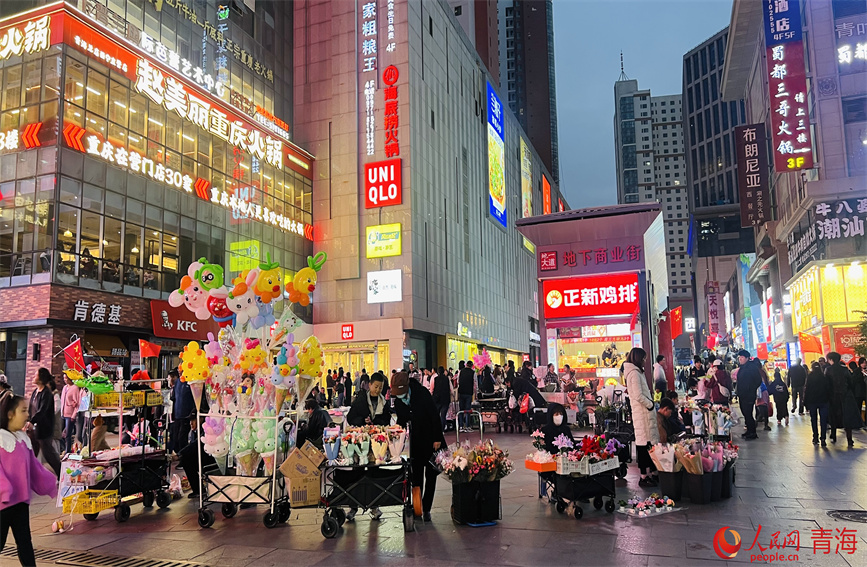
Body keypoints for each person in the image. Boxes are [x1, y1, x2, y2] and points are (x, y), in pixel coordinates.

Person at [1, 392, 59, 566]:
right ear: (10, 414)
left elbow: (35, 468)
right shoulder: (1, 438)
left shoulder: (23, 438)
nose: (28, 415)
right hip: (3, 504)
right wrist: (4, 489)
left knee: (25, 543)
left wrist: (51, 484)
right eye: (24, 410)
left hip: (21, 502)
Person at [391, 372, 444, 522]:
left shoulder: (422, 393)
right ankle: (417, 506)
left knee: (431, 476)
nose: (399, 396)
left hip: (432, 440)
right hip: (416, 442)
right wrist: (396, 431)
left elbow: (434, 415)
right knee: (417, 477)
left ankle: (426, 508)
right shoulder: (399, 402)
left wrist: (437, 438)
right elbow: (402, 419)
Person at [624, 348, 659, 487]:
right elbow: (638, 395)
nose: (645, 361)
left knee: (648, 445)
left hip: (643, 414)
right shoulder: (634, 374)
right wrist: (650, 405)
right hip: (642, 414)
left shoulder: (636, 373)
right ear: (638, 359)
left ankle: (652, 473)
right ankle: (644, 476)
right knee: (644, 446)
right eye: (643, 358)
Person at [26, 368, 60, 476]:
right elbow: (31, 409)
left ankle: (60, 474)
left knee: (48, 453)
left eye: (35, 375)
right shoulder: (35, 392)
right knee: (31, 452)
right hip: (33, 429)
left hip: (44, 429)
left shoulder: (47, 394)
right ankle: (31, 476)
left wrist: (32, 422)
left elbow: (42, 410)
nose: (33, 377)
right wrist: (27, 421)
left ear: (41, 378)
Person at [826, 352, 862, 448]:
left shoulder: (828, 370)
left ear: (831, 359)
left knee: (834, 416)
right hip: (846, 396)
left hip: (833, 397)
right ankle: (849, 439)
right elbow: (851, 382)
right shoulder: (845, 369)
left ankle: (833, 435)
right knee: (847, 417)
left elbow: (827, 385)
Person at [179, 415, 216, 499]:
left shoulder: (206, 429)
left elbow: (197, 444)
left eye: (193, 420)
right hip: (203, 457)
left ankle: (198, 490)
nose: (191, 423)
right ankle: (198, 489)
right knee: (186, 458)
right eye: (190, 421)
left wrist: (180, 454)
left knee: (186, 460)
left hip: (211, 459)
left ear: (201, 418)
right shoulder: (194, 432)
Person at [735, 349, 762, 440]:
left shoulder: (752, 367)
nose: (740, 359)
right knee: (745, 413)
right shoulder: (742, 367)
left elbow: (758, 380)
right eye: (739, 357)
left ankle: (752, 432)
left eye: (742, 357)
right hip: (742, 395)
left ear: (747, 358)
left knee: (748, 413)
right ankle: (749, 431)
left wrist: (751, 388)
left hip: (749, 395)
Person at [804, 361, 832, 447]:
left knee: (814, 419)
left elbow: (807, 390)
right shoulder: (824, 377)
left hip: (812, 402)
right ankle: (823, 438)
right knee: (823, 420)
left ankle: (815, 436)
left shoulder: (810, 377)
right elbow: (828, 389)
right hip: (823, 401)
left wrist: (805, 403)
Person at [60, 373, 82, 454]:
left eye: (66, 378)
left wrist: (74, 414)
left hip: (70, 414)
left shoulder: (75, 388)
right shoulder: (64, 388)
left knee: (68, 434)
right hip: (63, 413)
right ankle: (63, 448)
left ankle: (67, 450)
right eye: (64, 378)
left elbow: (77, 402)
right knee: (61, 433)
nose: (65, 380)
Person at [431, 366, 452, 431]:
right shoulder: (447, 379)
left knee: (437, 414)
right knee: (443, 415)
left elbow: (432, 389)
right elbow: (450, 388)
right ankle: (442, 429)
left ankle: (437, 428)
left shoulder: (435, 379)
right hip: (445, 399)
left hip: (437, 399)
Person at [457, 361, 475, 432]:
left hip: (461, 392)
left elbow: (458, 381)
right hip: (469, 393)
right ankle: (467, 426)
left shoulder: (460, 372)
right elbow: (475, 384)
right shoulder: (473, 373)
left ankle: (461, 426)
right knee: (468, 410)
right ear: (471, 366)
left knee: (461, 409)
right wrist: (475, 393)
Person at [850, 358, 866, 424]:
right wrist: (862, 375)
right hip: (858, 392)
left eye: (865, 363)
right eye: (863, 363)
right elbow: (853, 381)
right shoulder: (856, 371)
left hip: (865, 391)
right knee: (858, 407)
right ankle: (858, 422)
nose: (864, 365)